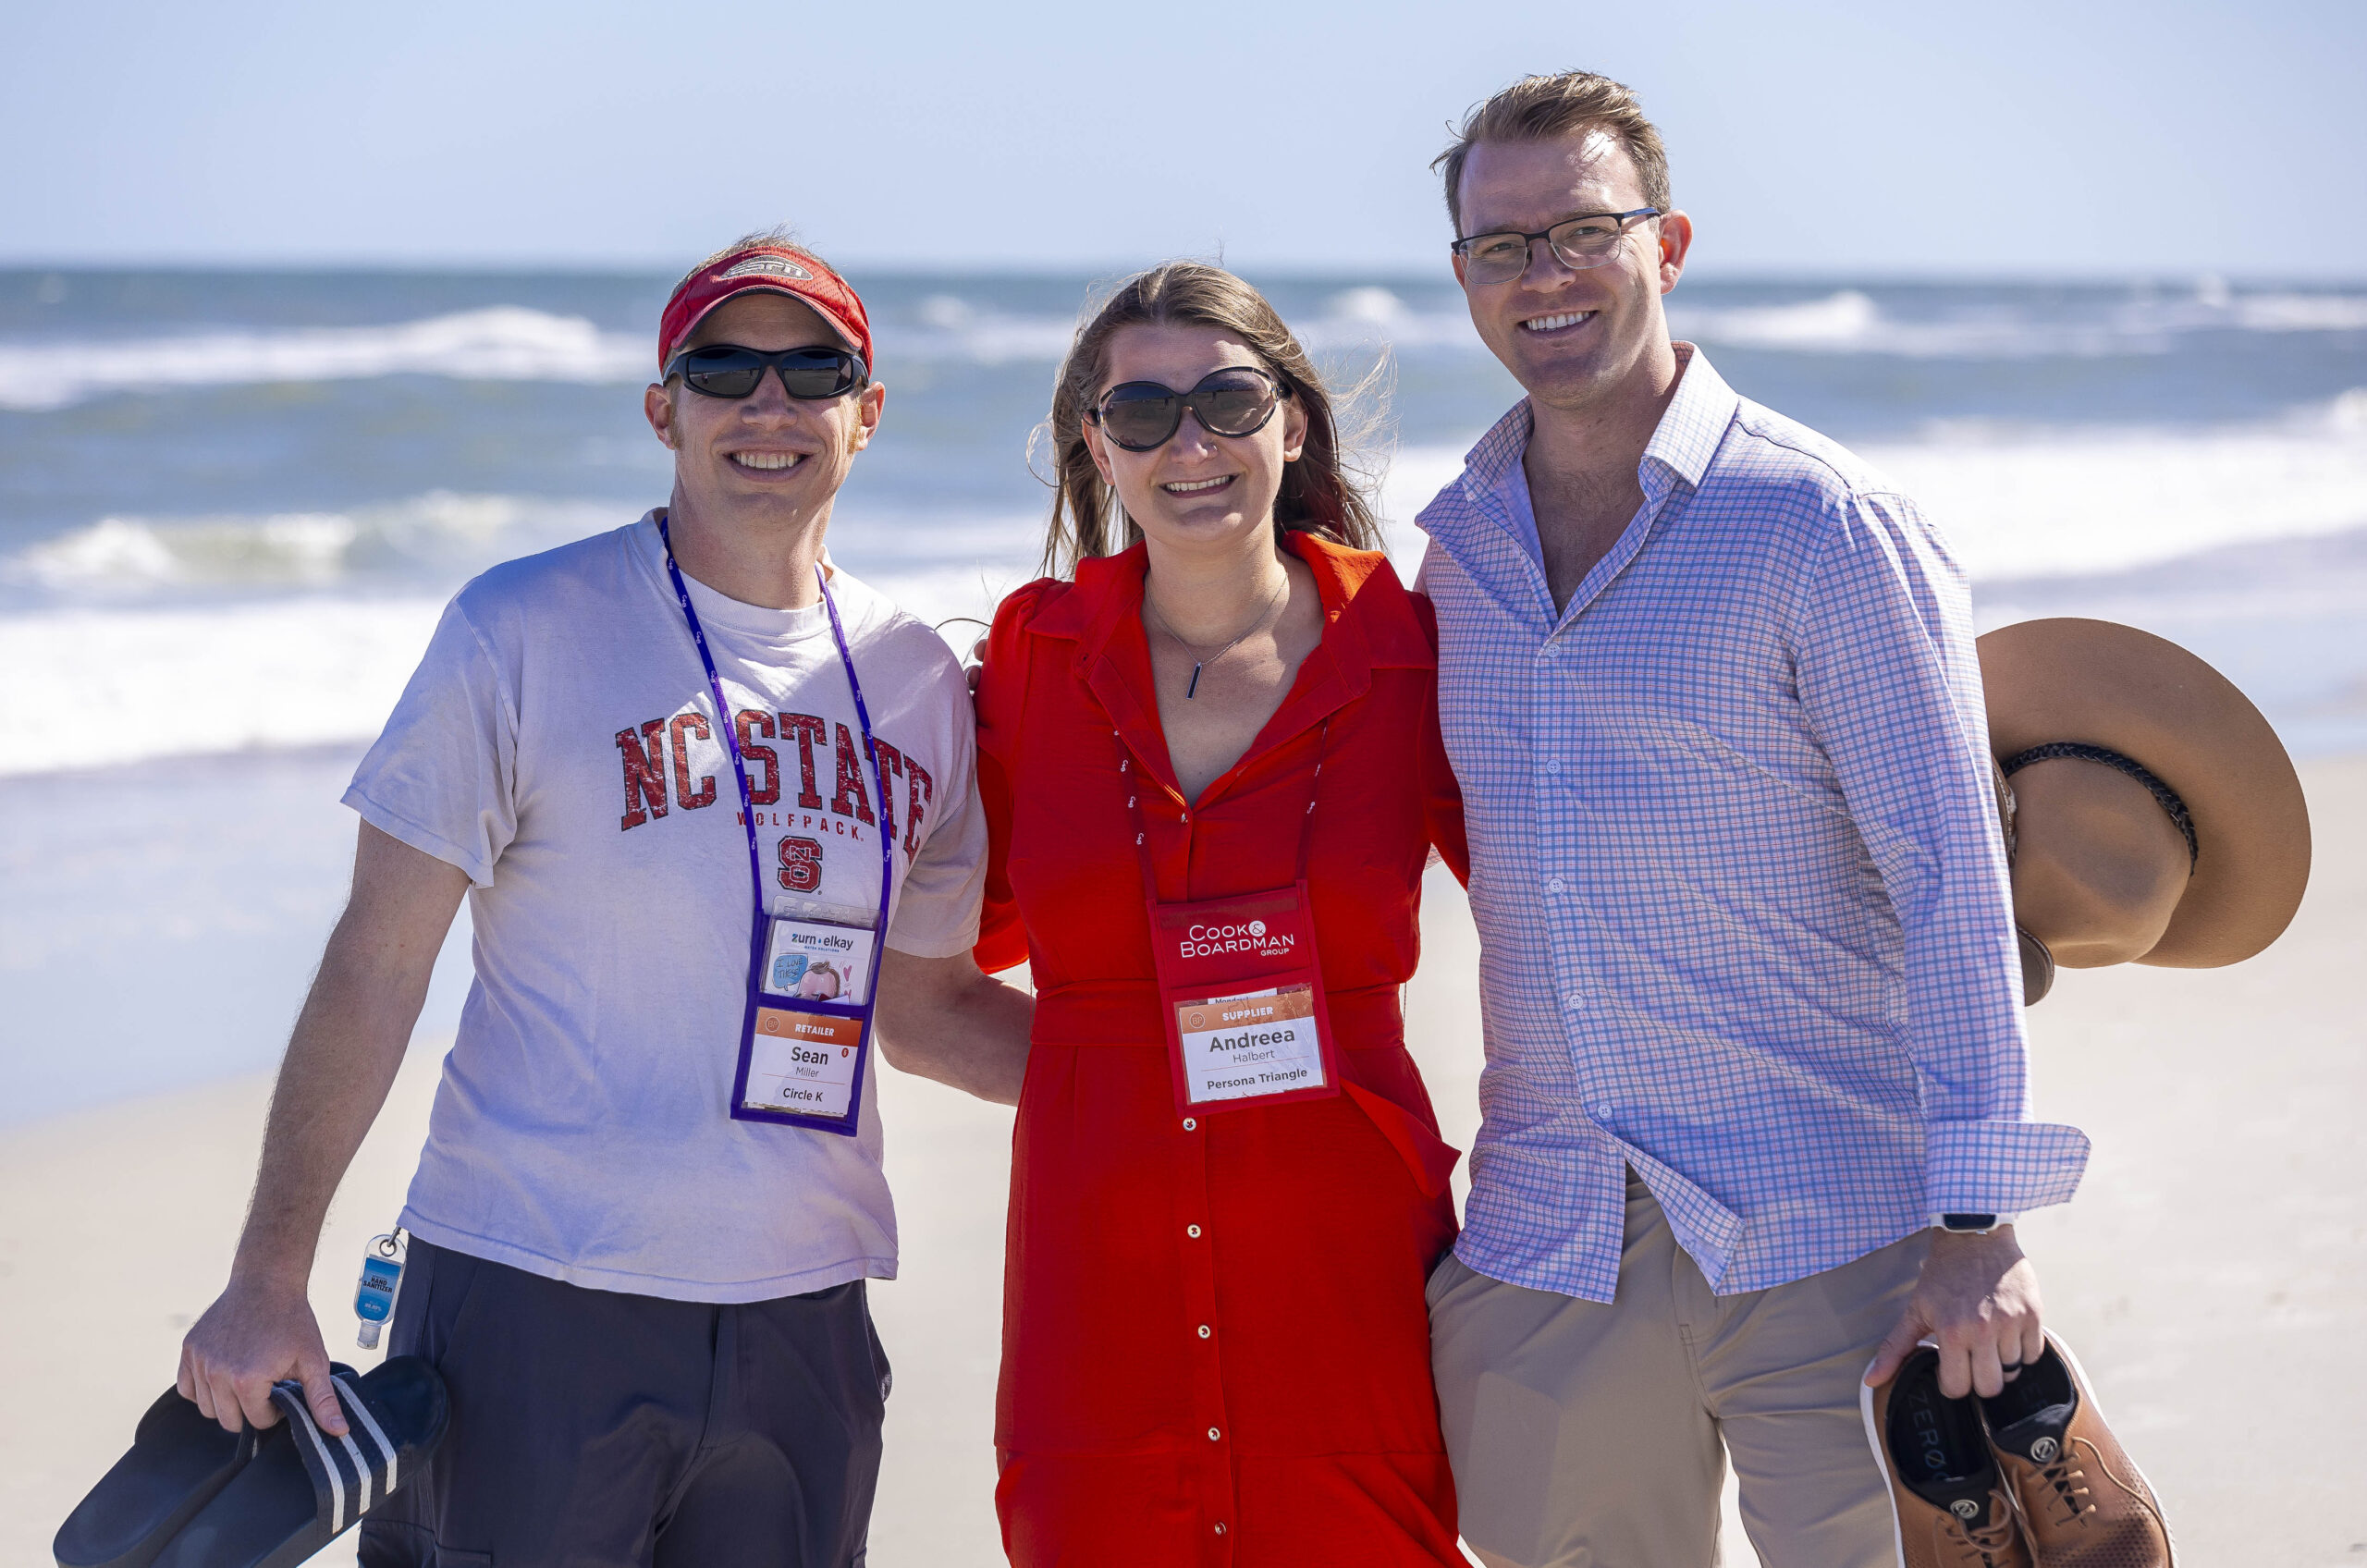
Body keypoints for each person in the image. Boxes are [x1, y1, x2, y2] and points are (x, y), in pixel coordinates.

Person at [174, 230, 1026, 1566]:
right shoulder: (521, 627)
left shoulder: (918, 679)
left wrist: (1171, 1078)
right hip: (533, 1301)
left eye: (812, 372)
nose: (768, 405)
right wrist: (266, 1279)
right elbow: (378, 963)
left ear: (866, 414)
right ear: (661, 410)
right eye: (722, 370)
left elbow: (925, 1006)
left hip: (806, 1319)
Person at [1410, 74, 2091, 1567]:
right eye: (1501, 245)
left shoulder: (1820, 521)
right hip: (1553, 1238)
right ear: (1464, 277)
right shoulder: (1454, 554)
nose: (1542, 273)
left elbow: (1950, 879)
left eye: (1582, 230)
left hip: (1833, 1239)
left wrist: (1979, 1227)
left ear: (1668, 244)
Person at [953, 261, 1472, 1563]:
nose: (1189, 445)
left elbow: (1575, 913)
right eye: (1142, 413)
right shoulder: (1032, 659)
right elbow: (924, 968)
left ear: (1291, 424)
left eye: (1228, 402)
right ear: (1098, 449)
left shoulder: (1414, 648)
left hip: (1348, 1274)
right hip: (1095, 1294)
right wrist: (1111, 1078)